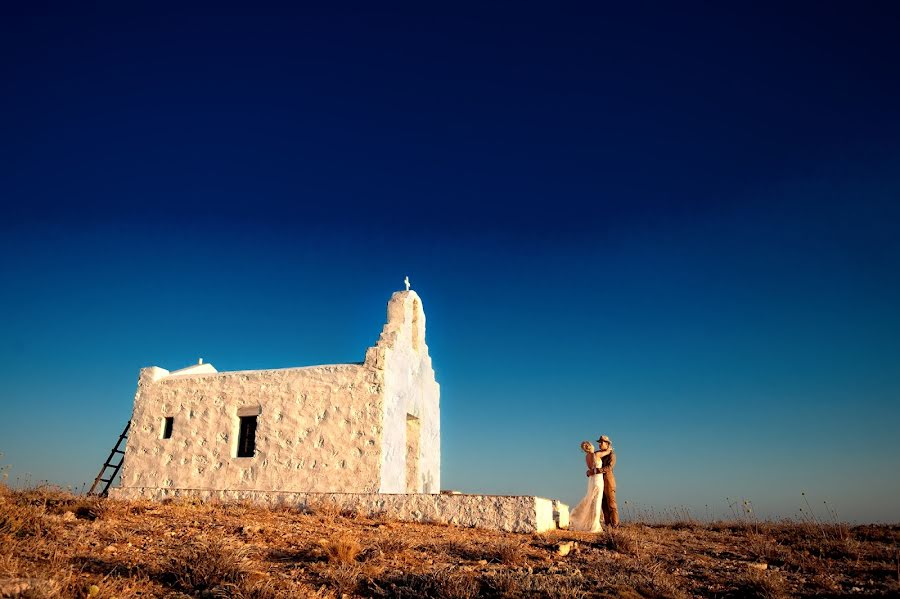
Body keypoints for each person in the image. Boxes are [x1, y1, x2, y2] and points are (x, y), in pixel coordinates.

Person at [568, 440, 613, 532]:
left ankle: (584, 519)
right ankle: (593, 525)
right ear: (591, 447)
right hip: (598, 480)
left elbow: (590, 468)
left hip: (591, 480)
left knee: (590, 498)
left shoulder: (587, 457)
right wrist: (609, 446)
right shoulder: (596, 455)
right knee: (596, 501)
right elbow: (608, 451)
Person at [597, 435, 619, 528]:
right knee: (603, 505)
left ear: (607, 444)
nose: (600, 444)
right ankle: (608, 525)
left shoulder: (611, 455)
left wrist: (598, 470)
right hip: (600, 482)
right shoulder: (600, 455)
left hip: (609, 482)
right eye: (600, 442)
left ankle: (615, 525)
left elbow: (609, 467)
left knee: (611, 504)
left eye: (602, 442)